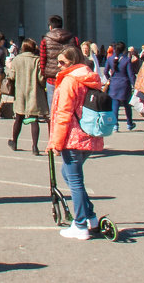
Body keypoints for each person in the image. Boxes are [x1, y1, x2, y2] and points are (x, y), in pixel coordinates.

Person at [48, 45, 106, 240]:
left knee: (75, 180)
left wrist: (56, 142)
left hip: (72, 135)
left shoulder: (70, 81)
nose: (59, 65)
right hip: (89, 133)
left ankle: (80, 224)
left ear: (72, 62)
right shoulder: (89, 77)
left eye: (62, 62)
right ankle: (90, 216)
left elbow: (63, 114)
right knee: (70, 174)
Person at [9, 39, 47, 154]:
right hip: (34, 93)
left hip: (20, 93)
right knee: (33, 119)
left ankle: (14, 142)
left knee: (18, 119)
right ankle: (35, 147)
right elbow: (41, 79)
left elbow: (12, 76)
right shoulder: (37, 61)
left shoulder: (17, 60)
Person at [38, 15, 79, 104]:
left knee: (53, 107)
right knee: (68, 105)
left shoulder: (45, 40)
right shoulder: (73, 38)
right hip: (69, 77)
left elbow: (42, 60)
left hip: (52, 78)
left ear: (50, 27)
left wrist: (44, 74)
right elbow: (78, 57)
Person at [104, 42, 136, 131]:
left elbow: (105, 71)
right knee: (127, 105)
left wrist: (109, 79)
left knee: (115, 105)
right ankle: (129, 123)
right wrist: (134, 84)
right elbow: (130, 74)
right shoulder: (126, 60)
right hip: (124, 84)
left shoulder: (110, 59)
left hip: (114, 84)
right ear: (124, 49)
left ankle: (115, 125)